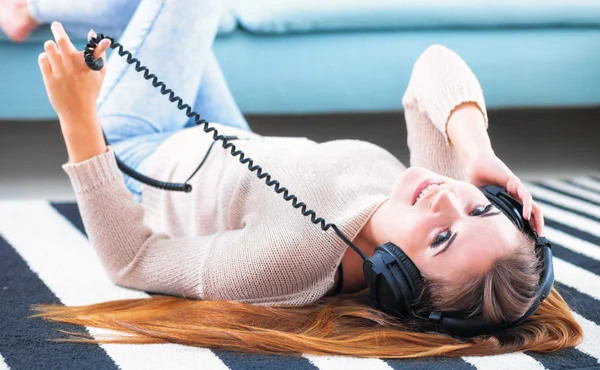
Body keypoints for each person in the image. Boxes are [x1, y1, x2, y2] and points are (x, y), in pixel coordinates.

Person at [5, 0, 582, 358]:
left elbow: (129, 259)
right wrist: (479, 153)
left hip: (143, 151)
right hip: (228, 138)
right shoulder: (436, 192)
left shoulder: (287, 262)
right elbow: (433, 65)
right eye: (480, 209)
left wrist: (79, 120)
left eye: (441, 239)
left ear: (398, 281)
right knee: (158, 14)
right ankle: (28, 10)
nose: (448, 204)